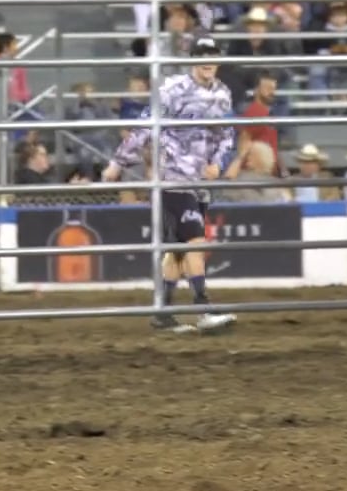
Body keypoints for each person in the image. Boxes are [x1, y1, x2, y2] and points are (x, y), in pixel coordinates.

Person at [100, 36, 241, 335]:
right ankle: (203, 307)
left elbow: (226, 134)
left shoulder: (222, 94)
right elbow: (144, 125)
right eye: (202, 54)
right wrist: (118, 163)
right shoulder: (172, 90)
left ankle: (163, 312)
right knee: (193, 240)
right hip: (173, 178)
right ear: (192, 59)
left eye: (212, 55)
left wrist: (218, 161)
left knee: (177, 247)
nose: (207, 60)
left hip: (199, 181)